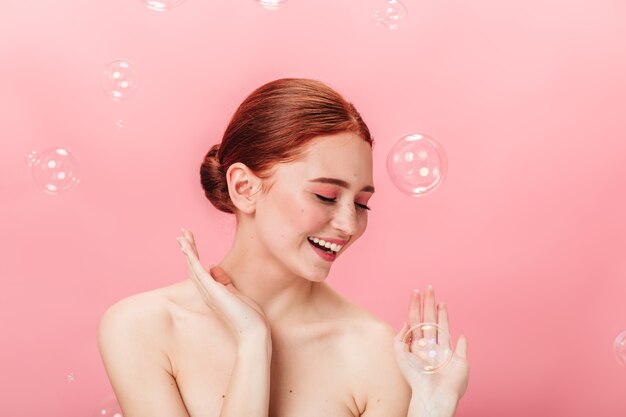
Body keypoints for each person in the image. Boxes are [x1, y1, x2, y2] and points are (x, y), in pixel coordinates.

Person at [98, 78, 469, 417]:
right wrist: (253, 343)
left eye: (361, 203)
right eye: (326, 196)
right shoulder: (142, 328)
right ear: (244, 188)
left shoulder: (375, 352)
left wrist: (430, 409)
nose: (348, 224)